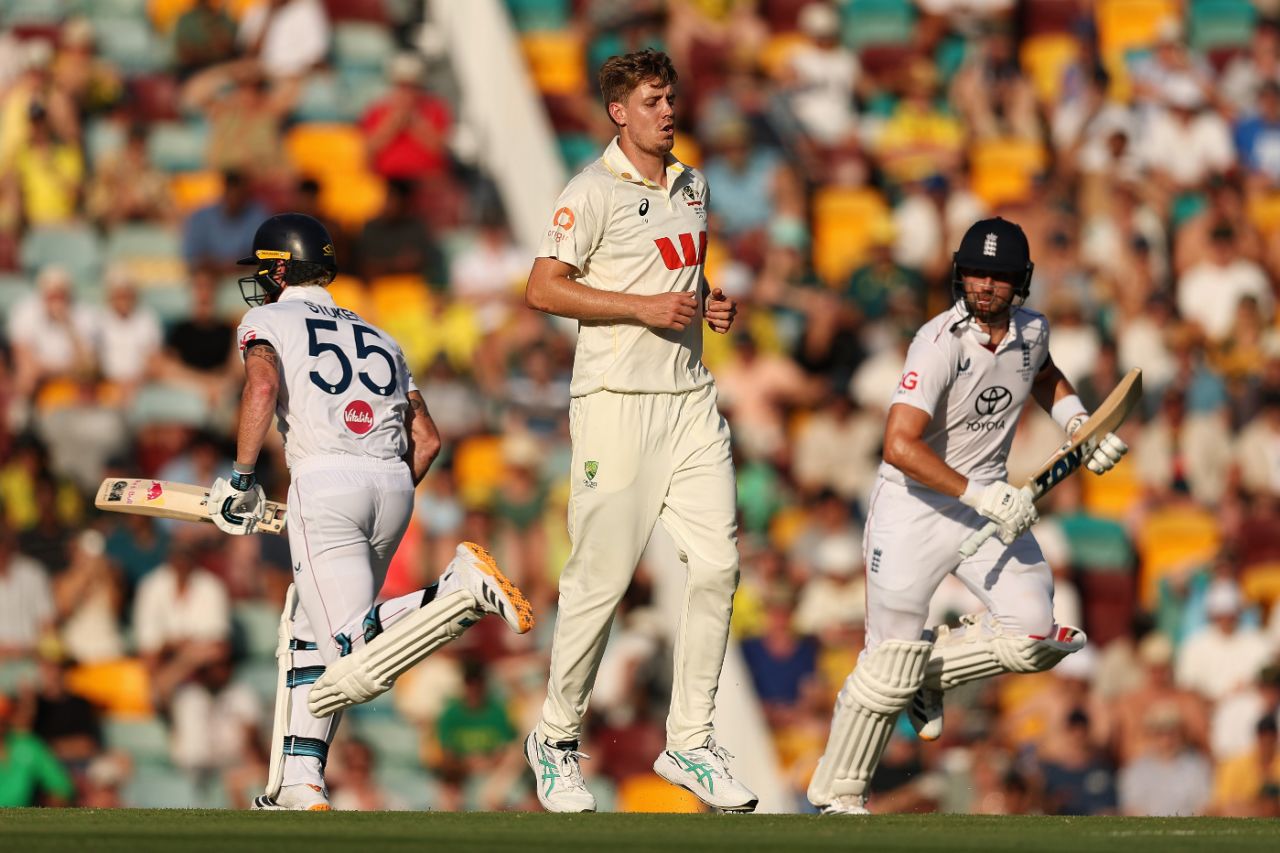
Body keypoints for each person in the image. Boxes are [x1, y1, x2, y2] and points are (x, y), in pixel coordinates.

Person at [806, 217, 1130, 815]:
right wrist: (980, 495)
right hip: (914, 507)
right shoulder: (939, 342)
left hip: (986, 503)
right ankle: (839, 793)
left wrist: (1079, 426)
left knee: (1034, 634)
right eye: (976, 273)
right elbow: (898, 445)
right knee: (886, 664)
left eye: (998, 276)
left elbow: (1046, 375)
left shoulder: (1032, 331)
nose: (984, 285)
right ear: (959, 274)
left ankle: (928, 675)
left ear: (1020, 282)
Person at [209, 212, 532, 811]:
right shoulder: (382, 334)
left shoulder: (267, 317)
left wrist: (242, 480)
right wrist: (384, 491)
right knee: (307, 631)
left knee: (349, 653)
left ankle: (455, 591)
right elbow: (428, 439)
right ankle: (301, 783)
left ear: (280, 270)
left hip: (324, 478)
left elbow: (258, 389)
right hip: (394, 483)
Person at [521, 49, 755, 814]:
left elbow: (682, 267)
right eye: (653, 101)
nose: (668, 111)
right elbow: (543, 286)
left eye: (671, 98)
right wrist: (643, 308)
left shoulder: (693, 183)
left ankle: (689, 740)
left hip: (688, 401)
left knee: (719, 565)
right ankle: (555, 738)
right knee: (601, 581)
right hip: (616, 402)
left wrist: (709, 300)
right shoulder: (590, 190)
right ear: (619, 111)